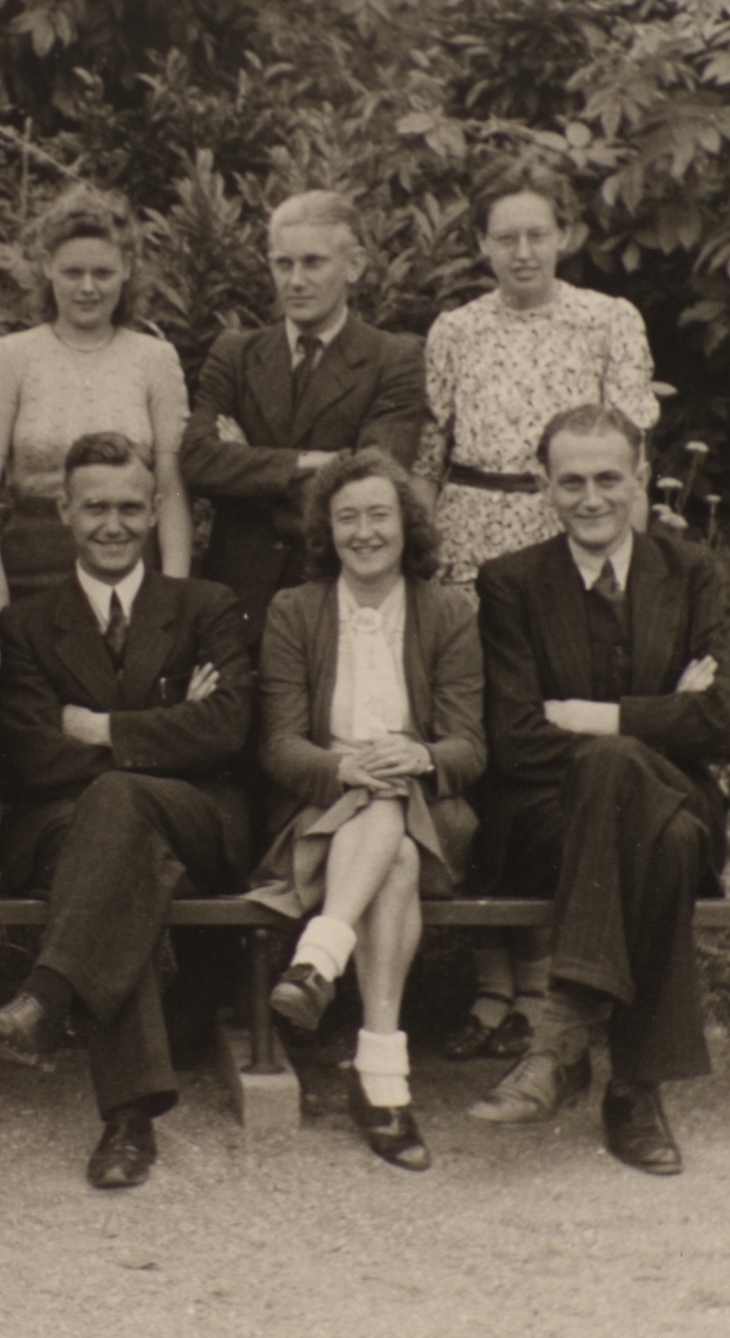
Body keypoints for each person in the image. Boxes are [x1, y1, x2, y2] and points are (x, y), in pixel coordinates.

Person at [0, 432, 253, 1189]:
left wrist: (99, 728)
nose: (112, 524)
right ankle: (127, 1120)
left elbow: (227, 731)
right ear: (64, 510)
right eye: (95, 508)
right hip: (62, 826)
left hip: (197, 820)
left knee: (117, 809)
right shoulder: (26, 625)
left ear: (155, 511)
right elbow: (32, 757)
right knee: (120, 846)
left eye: (128, 507)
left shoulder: (206, 607)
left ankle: (45, 998)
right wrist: (168, 729)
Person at [465, 405, 730, 1176]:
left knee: (629, 783)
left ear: (641, 477)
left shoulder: (688, 572)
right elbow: (515, 738)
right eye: (571, 482)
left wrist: (597, 717)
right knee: (649, 818)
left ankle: (559, 1044)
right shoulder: (511, 584)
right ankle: (634, 1092)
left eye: (607, 478)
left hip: (673, 802)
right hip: (549, 821)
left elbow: (727, 720)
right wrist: (666, 715)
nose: (590, 498)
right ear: (544, 485)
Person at [422, 159, 661, 1062]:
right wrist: (423, 572)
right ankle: (493, 983)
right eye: (504, 237)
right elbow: (430, 455)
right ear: (481, 245)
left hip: (573, 536)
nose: (522, 251)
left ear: (564, 236)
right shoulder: (454, 330)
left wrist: (631, 578)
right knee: (485, 741)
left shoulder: (609, 320)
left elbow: (631, 457)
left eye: (537, 233)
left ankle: (552, 981)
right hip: (468, 542)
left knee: (558, 751)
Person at [245, 448, 484, 1172]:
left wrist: (420, 757)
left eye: (379, 514)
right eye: (346, 518)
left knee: (397, 812)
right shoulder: (295, 610)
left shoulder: (448, 612)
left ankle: (319, 955)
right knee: (393, 851)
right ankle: (381, 1077)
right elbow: (279, 746)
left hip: (429, 813)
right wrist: (345, 768)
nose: (364, 532)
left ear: (408, 524)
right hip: (322, 815)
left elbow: (470, 747)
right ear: (326, 531)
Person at [181, 191, 427, 635]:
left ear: (353, 265)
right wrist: (309, 462)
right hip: (237, 595)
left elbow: (372, 485)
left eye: (313, 263)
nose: (295, 280)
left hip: (338, 592)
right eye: (283, 264)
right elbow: (197, 460)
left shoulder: (393, 359)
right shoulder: (235, 353)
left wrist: (248, 464)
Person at [0, 186, 193, 611]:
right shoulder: (10, 356)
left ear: (127, 269)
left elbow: (170, 485)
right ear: (48, 267)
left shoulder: (156, 359)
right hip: (31, 565)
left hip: (129, 562)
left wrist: (175, 592)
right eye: (72, 273)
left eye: (102, 273)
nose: (87, 288)